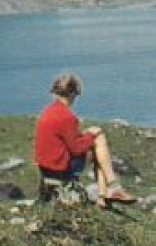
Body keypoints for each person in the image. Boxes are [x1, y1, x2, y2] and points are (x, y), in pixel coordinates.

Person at [34, 72, 137, 204]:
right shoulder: (67, 117)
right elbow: (76, 149)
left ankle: (106, 195)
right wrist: (92, 135)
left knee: (95, 141)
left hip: (46, 169)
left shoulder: (49, 111)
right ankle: (111, 189)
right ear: (72, 93)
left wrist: (87, 135)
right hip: (60, 170)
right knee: (99, 141)